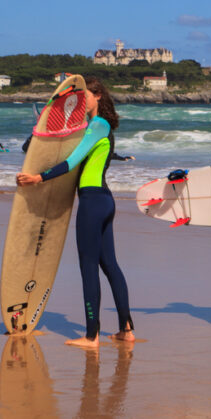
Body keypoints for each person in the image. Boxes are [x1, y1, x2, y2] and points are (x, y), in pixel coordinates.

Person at [16, 76, 135, 348]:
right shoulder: (97, 128)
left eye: (87, 97)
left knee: (88, 267)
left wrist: (38, 178)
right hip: (104, 200)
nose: (83, 102)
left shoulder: (98, 125)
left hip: (93, 203)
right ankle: (126, 330)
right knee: (110, 265)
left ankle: (91, 335)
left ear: (99, 97)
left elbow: (72, 161)